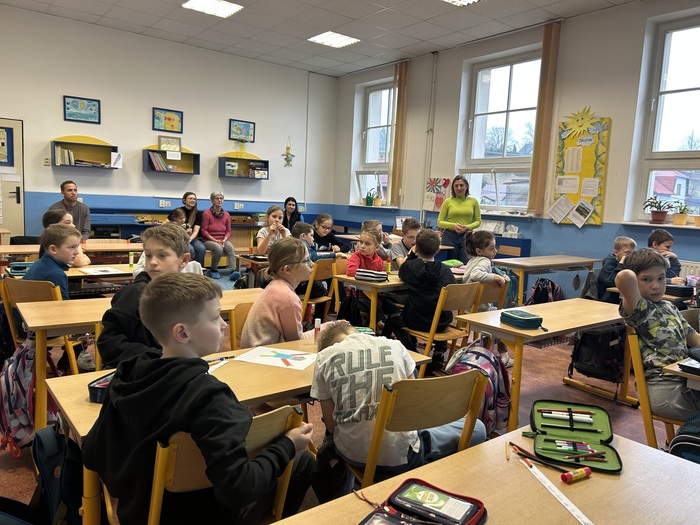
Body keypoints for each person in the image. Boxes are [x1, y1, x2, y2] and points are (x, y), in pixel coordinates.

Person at [83, 272, 314, 525]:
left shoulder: (125, 376)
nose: (224, 325)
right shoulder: (210, 398)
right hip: (202, 516)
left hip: (138, 513)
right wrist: (287, 445)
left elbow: (92, 452)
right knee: (301, 460)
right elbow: (238, 490)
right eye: (215, 317)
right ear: (182, 333)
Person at [311, 323, 486, 487]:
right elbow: (415, 408)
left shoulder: (323, 359)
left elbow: (332, 427)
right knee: (477, 428)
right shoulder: (395, 346)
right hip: (403, 457)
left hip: (353, 455)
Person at [615, 248, 700, 420]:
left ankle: (687, 437)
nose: (656, 286)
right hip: (662, 389)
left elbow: (693, 338)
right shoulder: (640, 309)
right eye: (647, 279)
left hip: (685, 380)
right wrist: (629, 262)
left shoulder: (669, 306)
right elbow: (624, 277)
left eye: (661, 278)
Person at [97, 223, 190, 368]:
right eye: (148, 255)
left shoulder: (190, 295)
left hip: (177, 368)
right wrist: (160, 357)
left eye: (162, 255)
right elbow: (110, 344)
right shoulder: (134, 295)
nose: (152, 262)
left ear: (183, 260)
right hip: (140, 371)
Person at [241, 237, 343, 348]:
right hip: (263, 355)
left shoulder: (276, 286)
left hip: (257, 352)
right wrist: (330, 327)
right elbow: (296, 341)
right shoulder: (288, 299)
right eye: (306, 260)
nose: (312, 264)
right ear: (287, 269)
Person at [382, 230, 456, 374]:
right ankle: (439, 352)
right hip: (442, 323)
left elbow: (402, 270)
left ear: (416, 247)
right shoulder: (446, 270)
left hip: (417, 320)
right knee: (438, 308)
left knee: (393, 319)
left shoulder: (410, 267)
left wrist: (410, 255)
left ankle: (414, 355)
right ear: (438, 250)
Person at [462, 230, 512, 366]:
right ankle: (503, 355)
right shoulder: (484, 261)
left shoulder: (472, 261)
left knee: (494, 317)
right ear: (479, 251)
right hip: (480, 310)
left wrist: (499, 275)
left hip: (468, 308)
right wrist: (496, 278)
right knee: (502, 319)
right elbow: (476, 274)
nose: (495, 251)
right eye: (491, 248)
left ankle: (485, 350)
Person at [24, 223, 81, 300]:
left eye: (77, 247)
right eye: (72, 247)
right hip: (44, 307)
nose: (77, 252)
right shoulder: (56, 274)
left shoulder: (37, 263)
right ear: (53, 249)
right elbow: (64, 305)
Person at [437, 175, 481, 264]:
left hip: (467, 237)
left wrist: (468, 227)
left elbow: (478, 221)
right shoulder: (448, 202)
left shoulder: (473, 202)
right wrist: (453, 226)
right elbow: (439, 222)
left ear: (466, 186)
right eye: (456, 186)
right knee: (449, 264)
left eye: (461, 185)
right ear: (453, 188)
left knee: (466, 263)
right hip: (450, 236)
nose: (459, 188)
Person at [201, 191, 239, 281]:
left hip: (222, 239)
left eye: (221, 198)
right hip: (208, 240)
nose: (219, 200)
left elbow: (228, 230)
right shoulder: (206, 213)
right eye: (217, 198)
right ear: (212, 201)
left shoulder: (226, 214)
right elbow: (203, 231)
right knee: (218, 248)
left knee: (231, 248)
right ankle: (213, 270)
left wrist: (225, 239)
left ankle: (233, 271)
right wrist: (215, 240)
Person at [169, 192, 206, 266]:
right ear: (184, 200)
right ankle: (188, 268)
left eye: (194, 199)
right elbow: (165, 224)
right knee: (190, 249)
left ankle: (197, 268)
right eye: (190, 198)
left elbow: (195, 231)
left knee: (202, 248)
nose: (193, 200)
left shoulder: (198, 213)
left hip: (191, 237)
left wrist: (189, 239)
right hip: (179, 237)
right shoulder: (177, 211)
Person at [598, 236, 637, 303]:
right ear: (616, 252)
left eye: (633, 253)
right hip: (609, 299)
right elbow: (614, 281)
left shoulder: (629, 263)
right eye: (627, 253)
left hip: (624, 296)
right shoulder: (609, 263)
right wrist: (621, 264)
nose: (631, 256)